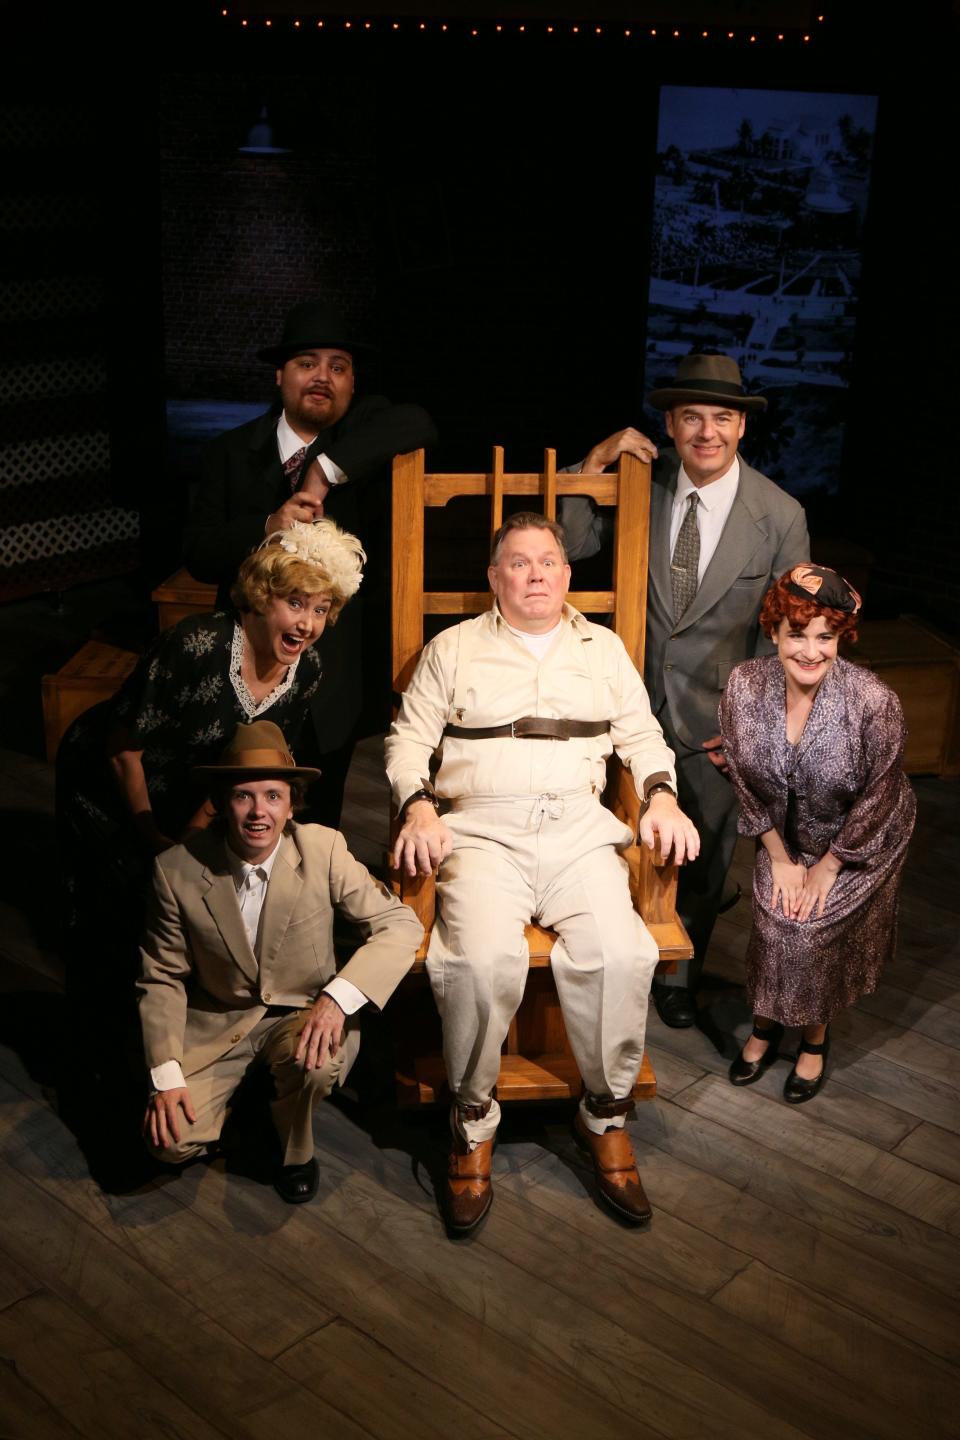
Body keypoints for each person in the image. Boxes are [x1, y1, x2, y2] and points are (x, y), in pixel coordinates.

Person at [385, 512, 699, 1232]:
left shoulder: (602, 648)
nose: (535, 575)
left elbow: (643, 734)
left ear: (567, 574)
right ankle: (471, 1121)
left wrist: (659, 794)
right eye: (519, 564)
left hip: (579, 831)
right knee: (478, 959)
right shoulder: (454, 648)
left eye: (549, 562)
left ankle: (605, 1112)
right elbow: (408, 741)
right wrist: (418, 806)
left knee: (622, 952)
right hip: (482, 832)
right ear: (495, 579)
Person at [560, 351, 809, 1029]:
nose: (707, 431)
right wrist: (595, 464)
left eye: (721, 418)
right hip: (622, 703)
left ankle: (677, 976)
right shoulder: (644, 484)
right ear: (669, 423)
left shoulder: (780, 515)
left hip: (715, 722)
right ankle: (602, 960)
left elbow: (785, 635)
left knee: (702, 855)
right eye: (691, 417)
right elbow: (568, 541)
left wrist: (751, 727)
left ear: (741, 427)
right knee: (607, 843)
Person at [57, 518, 365, 1004]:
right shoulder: (196, 645)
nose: (307, 623)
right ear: (263, 596)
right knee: (118, 898)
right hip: (110, 775)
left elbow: (250, 764)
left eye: (321, 609)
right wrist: (153, 837)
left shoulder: (307, 668)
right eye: (296, 603)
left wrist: (190, 836)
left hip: (193, 781)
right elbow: (123, 748)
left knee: (184, 886)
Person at [138, 721, 422, 1201]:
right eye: (243, 796)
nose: (258, 812)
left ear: (292, 804)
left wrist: (338, 999)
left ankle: (295, 1151)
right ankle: (247, 1109)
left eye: (272, 796)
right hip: (219, 1022)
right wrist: (164, 1077)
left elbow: (400, 924)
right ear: (221, 803)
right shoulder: (175, 871)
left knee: (316, 1065)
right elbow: (161, 978)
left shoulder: (323, 849)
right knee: (169, 1144)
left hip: (304, 1014)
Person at [183, 299, 438, 824]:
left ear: (352, 382)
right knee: (241, 819)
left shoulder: (362, 443)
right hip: (243, 673)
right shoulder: (230, 453)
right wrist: (267, 526)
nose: (323, 377)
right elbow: (201, 554)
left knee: (317, 829)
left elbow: (419, 421)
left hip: (331, 687)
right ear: (280, 375)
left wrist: (324, 471)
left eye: (338, 367)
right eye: (307, 364)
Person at [719, 565, 916, 1102]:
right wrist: (780, 857)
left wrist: (829, 866)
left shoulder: (873, 702)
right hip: (782, 836)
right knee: (772, 921)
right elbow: (741, 774)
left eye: (825, 637)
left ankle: (814, 1035)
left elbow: (880, 797)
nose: (811, 651)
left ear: (840, 639)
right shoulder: (742, 686)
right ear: (774, 633)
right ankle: (764, 1024)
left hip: (861, 839)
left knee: (808, 930)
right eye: (797, 634)